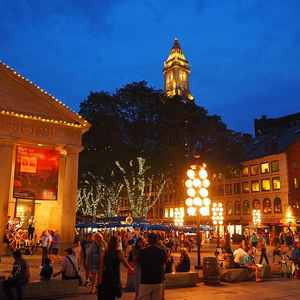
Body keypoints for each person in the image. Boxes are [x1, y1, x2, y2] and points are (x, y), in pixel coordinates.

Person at [100, 235, 134, 300]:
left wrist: (100, 280)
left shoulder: (105, 253)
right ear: (116, 243)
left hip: (106, 276)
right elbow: (125, 263)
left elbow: (101, 267)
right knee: (114, 294)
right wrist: (131, 268)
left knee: (107, 295)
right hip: (115, 276)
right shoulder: (119, 253)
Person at [137, 233, 167, 300]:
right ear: (157, 241)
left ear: (147, 240)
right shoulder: (162, 252)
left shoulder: (142, 252)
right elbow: (163, 266)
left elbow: (138, 263)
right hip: (157, 281)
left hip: (145, 281)